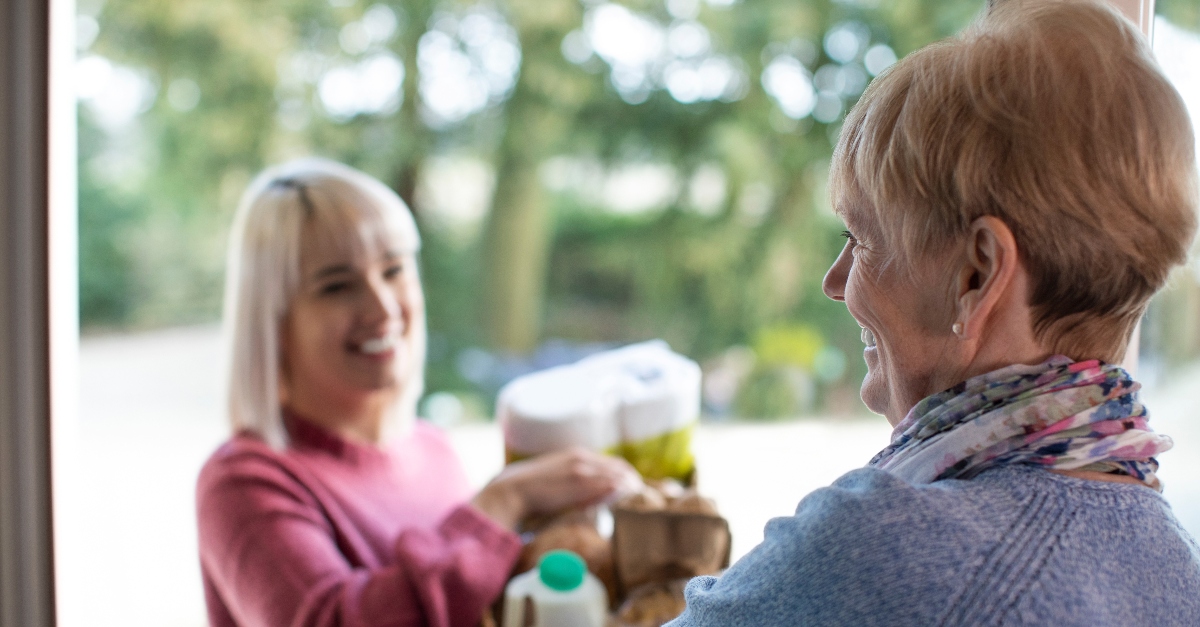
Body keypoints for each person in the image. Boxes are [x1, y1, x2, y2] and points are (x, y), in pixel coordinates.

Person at [668, 1, 1200, 625]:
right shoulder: (1173, 562)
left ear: (977, 273)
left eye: (862, 241)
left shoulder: (884, 546)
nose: (834, 282)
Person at [196, 158, 638, 627]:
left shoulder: (432, 447)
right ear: (275, 322)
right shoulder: (243, 480)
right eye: (337, 286)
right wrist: (501, 505)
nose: (383, 307)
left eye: (393, 270)